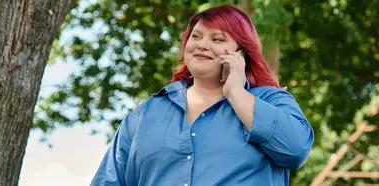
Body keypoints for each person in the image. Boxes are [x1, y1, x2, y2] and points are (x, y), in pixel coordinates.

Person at [91, 4, 314, 186]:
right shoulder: (146, 113)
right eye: (196, 36)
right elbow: (108, 180)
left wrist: (236, 93)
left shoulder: (271, 100)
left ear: (241, 53)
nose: (202, 45)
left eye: (217, 39)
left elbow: (296, 149)